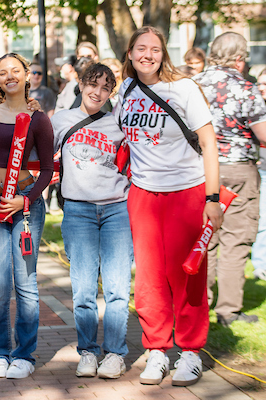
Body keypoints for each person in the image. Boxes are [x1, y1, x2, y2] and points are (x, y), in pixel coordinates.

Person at [114, 26, 223, 387]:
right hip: (143, 195)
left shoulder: (183, 88)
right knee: (148, 277)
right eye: (140, 48)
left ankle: (190, 352)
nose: (147, 54)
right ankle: (157, 350)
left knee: (187, 274)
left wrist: (211, 198)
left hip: (186, 192)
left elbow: (208, 143)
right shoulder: (126, 90)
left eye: (155, 49)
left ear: (164, 53)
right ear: (129, 53)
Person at [0, 53, 54, 379]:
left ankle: (24, 354)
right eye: (3, 72)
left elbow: (46, 170)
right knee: (0, 285)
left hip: (24, 207)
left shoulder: (38, 119)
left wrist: (25, 200)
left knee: (26, 284)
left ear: (26, 75)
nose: (9, 76)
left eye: (15, 70)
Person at [53, 63, 133, 379]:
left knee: (117, 288)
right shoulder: (61, 121)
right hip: (78, 211)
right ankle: (88, 351)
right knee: (83, 289)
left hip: (116, 210)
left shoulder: (118, 125)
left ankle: (115, 353)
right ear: (81, 85)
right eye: (92, 85)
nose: (97, 92)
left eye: (104, 88)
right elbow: (39, 153)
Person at [194, 33, 266, 325]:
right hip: (238, 169)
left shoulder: (193, 84)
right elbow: (263, 134)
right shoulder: (247, 88)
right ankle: (228, 310)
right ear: (240, 57)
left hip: (200, 170)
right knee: (236, 240)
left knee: (205, 237)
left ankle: (201, 305)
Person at [252, 68, 266, 281]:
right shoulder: (254, 105)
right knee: (263, 220)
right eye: (260, 84)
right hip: (261, 167)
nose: (261, 88)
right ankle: (261, 265)